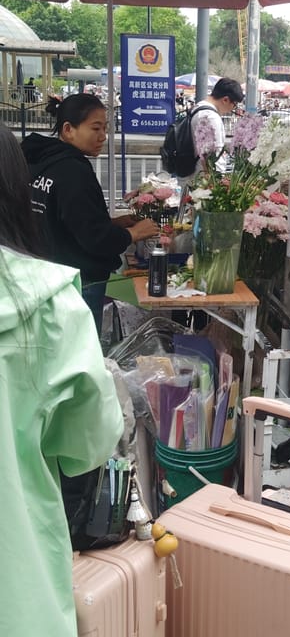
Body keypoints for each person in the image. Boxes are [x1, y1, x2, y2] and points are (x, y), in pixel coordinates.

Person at [0, 124, 124, 637]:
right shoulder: (47, 307)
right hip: (17, 585)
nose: (103, 135)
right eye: (97, 126)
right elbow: (88, 444)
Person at [21, 93, 159, 335]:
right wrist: (135, 233)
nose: (103, 136)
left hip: (46, 274)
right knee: (80, 349)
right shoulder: (72, 171)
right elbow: (95, 238)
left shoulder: (40, 161)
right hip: (78, 281)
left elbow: (66, 220)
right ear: (68, 129)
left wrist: (114, 223)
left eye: (105, 128)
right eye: (95, 128)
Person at [188, 77, 244, 177]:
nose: (233, 109)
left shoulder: (198, 107)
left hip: (193, 174)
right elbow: (210, 158)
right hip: (203, 183)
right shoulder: (211, 117)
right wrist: (216, 184)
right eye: (234, 105)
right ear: (225, 100)